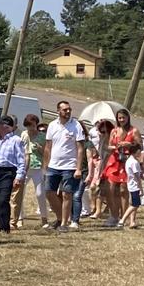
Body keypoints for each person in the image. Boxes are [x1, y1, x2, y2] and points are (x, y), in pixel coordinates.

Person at [42, 99, 87, 231]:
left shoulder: (76, 125)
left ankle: (63, 224)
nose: (68, 112)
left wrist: (78, 168)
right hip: (53, 165)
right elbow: (48, 147)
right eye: (65, 109)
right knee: (49, 192)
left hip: (69, 166)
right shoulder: (52, 125)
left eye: (69, 109)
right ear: (58, 111)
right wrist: (45, 165)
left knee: (67, 194)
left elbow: (80, 148)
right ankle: (60, 217)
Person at [0, 112, 24, 234]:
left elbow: (21, 159)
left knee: (3, 200)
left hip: (8, 172)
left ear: (7, 126)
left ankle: (5, 227)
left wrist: (19, 176)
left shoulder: (16, 140)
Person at [21, 113, 50, 227]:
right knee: (20, 194)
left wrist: (40, 148)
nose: (30, 128)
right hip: (25, 167)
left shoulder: (42, 137)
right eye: (28, 125)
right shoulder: (24, 135)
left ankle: (44, 218)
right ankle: (19, 217)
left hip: (38, 167)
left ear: (36, 125)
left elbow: (47, 153)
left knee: (40, 193)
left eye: (32, 125)